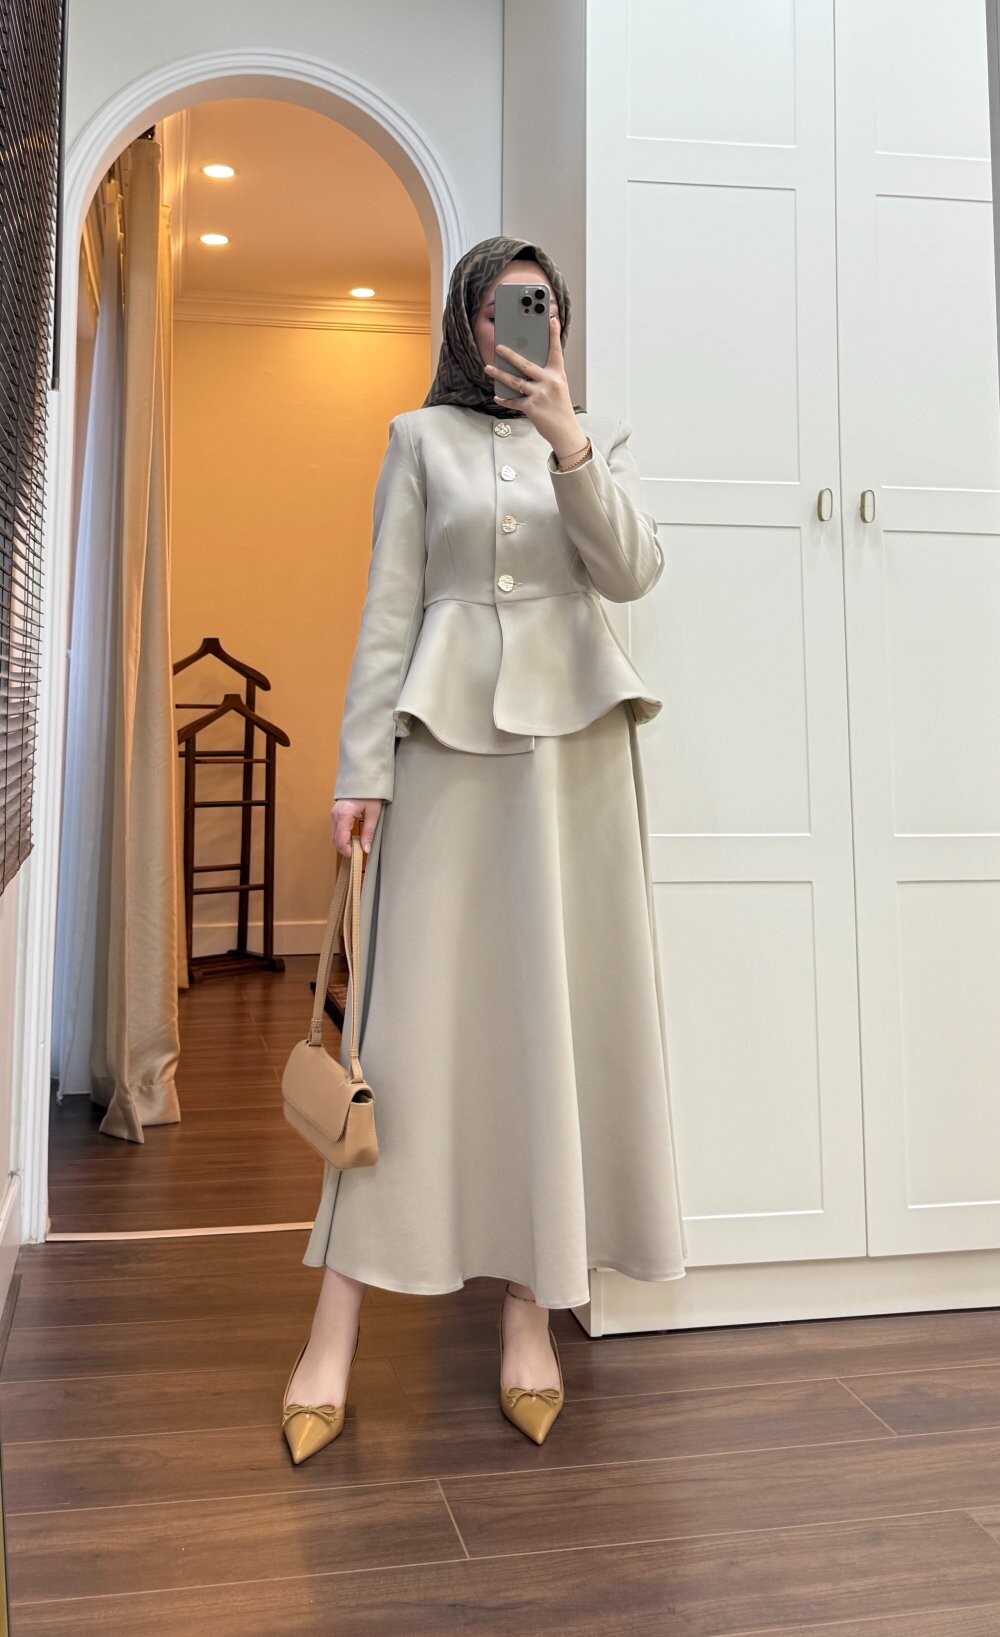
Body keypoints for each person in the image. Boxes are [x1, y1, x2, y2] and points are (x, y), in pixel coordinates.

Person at [281, 235, 689, 1462]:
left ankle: (529, 1314)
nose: (522, 323)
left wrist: (567, 438)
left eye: (540, 306)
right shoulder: (417, 442)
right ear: (467, 323)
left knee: (550, 1024)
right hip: (446, 755)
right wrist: (359, 771)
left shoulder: (596, 437)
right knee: (406, 1036)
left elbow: (631, 570)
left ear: (558, 321)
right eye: (501, 307)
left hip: (571, 773)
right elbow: (388, 610)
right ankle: (332, 1332)